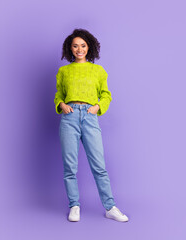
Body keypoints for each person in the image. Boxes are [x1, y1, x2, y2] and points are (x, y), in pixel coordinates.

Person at [54, 28, 128, 222]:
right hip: (69, 118)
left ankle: (110, 207)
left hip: (89, 117)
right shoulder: (64, 71)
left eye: (83, 45)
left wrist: (97, 107)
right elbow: (59, 95)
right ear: (70, 48)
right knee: (70, 166)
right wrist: (61, 105)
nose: (79, 49)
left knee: (99, 166)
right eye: (75, 46)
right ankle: (74, 205)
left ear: (89, 47)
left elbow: (106, 94)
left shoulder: (98, 71)